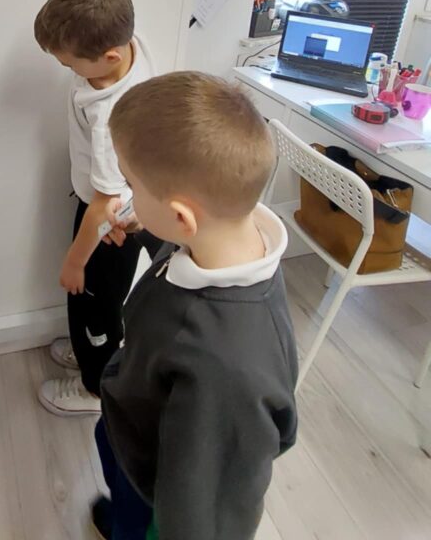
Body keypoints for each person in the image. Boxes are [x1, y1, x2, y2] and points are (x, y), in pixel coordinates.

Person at [92, 72, 298, 540]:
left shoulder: (227, 368)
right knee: (120, 485)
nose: (128, 196)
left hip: (161, 485)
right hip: (133, 422)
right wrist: (147, 224)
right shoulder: (223, 236)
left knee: (135, 521)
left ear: (182, 216)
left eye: (132, 186)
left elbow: (207, 510)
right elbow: (178, 247)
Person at [0, 0, 155, 416]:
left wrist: (75, 261)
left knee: (94, 303)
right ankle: (88, 349)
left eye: (68, 63)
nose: (64, 68)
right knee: (87, 306)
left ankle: (94, 385)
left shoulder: (112, 116)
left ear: (106, 56)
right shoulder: (120, 29)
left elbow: (104, 206)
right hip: (108, 203)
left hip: (111, 224)